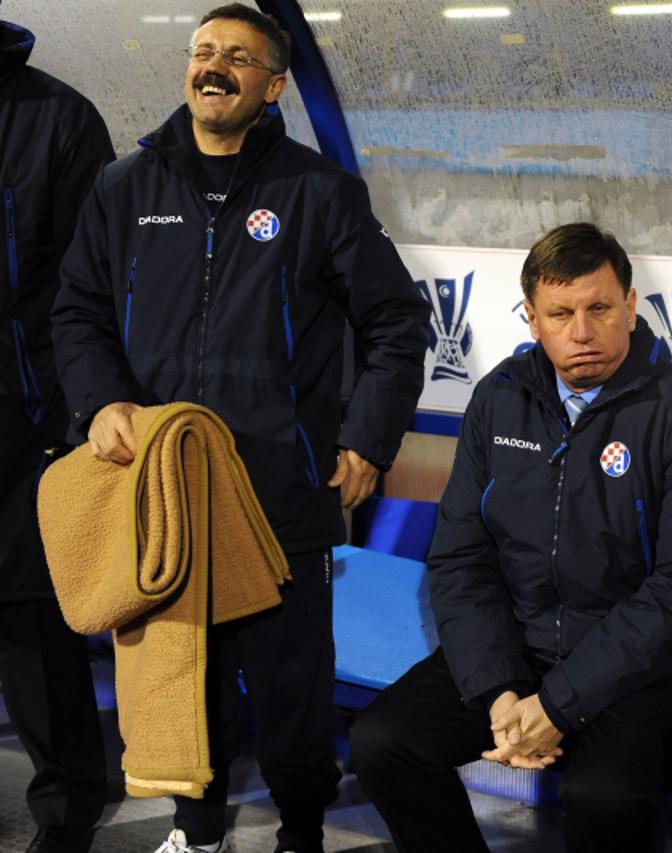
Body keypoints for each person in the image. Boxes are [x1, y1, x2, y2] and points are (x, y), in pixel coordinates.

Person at [51, 5, 431, 852]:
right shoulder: (124, 186)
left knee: (291, 687)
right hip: (165, 491)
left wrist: (366, 441)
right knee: (182, 680)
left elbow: (398, 323)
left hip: (280, 492)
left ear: (273, 84)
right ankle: (197, 829)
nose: (213, 67)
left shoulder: (318, 192)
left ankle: (300, 829)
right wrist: (101, 401)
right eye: (202, 52)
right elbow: (76, 311)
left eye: (237, 57)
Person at [351, 222, 672, 852]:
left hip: (642, 670)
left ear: (631, 306)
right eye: (561, 314)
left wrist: (558, 705)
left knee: (604, 797)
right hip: (518, 650)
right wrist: (499, 691)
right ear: (532, 318)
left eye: (600, 309)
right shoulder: (499, 398)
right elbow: (460, 557)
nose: (582, 332)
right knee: (383, 743)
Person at [0, 13, 113, 853]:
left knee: (35, 619)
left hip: (27, 413)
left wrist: (73, 407)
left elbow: (92, 285)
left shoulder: (60, 117)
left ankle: (69, 803)